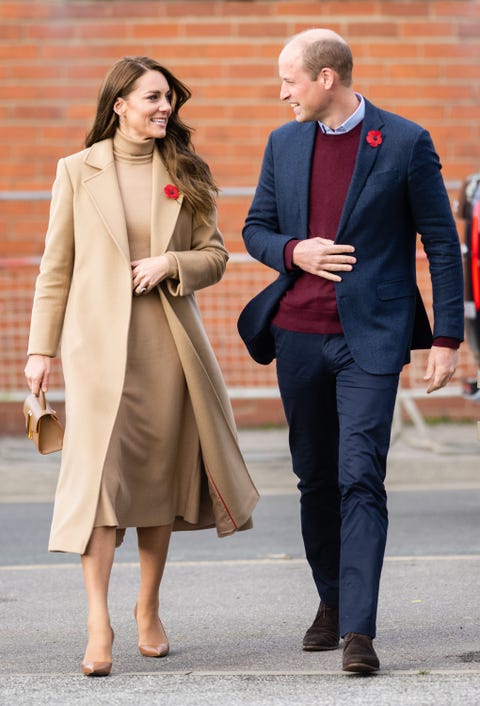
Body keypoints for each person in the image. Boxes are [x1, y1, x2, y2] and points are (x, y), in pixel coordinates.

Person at [25, 56, 259, 677]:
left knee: (156, 483)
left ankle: (147, 609)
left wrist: (171, 264)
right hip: (97, 353)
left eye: (169, 99)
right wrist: (38, 351)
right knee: (102, 486)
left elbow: (217, 255)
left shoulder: (185, 169)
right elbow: (56, 269)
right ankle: (98, 624)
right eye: (152, 97)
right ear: (118, 104)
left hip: (169, 348)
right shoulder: (76, 171)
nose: (164, 108)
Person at [238, 29, 463, 673]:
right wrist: (294, 251)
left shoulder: (404, 141)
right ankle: (331, 602)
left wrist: (445, 338)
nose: (282, 93)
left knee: (360, 473)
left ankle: (359, 631)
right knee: (314, 476)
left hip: (371, 337)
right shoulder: (283, 143)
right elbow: (256, 227)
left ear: (326, 78)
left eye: (290, 80)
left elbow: (442, 245)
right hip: (298, 337)